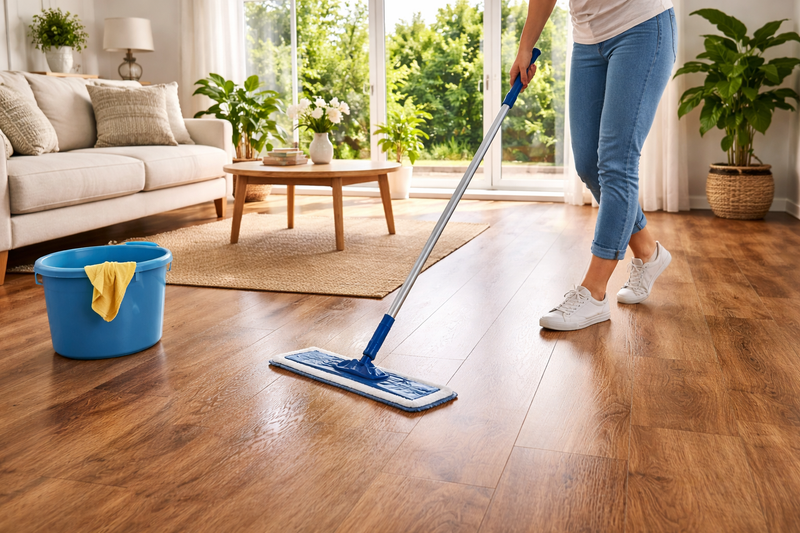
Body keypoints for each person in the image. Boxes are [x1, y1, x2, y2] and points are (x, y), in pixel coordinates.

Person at [510, 0, 677, 331]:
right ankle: (648, 252)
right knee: (588, 164)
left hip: (640, 25)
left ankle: (594, 292)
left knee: (617, 163)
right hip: (587, 38)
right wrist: (525, 47)